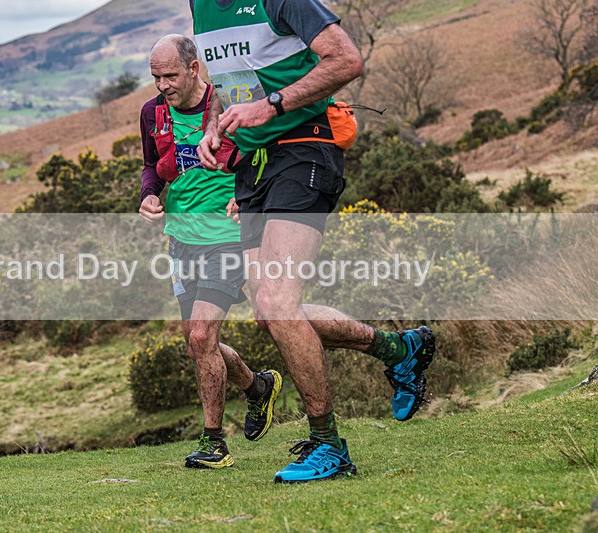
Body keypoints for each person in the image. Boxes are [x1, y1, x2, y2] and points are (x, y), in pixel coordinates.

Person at [191, 0, 436, 483]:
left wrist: (271, 104)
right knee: (268, 313)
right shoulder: (201, 6)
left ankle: (329, 445)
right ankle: (399, 349)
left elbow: (346, 60)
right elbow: (226, 82)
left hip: (305, 147)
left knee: (278, 301)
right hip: (254, 166)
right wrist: (214, 127)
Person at [139, 34, 282, 469]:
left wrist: (247, 195)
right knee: (198, 343)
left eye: (170, 75)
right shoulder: (152, 113)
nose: (162, 85)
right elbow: (151, 166)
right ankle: (257, 386)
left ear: (194, 68)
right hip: (182, 239)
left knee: (202, 336)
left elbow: (264, 158)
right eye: (156, 76)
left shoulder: (230, 104)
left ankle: (214, 442)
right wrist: (149, 195)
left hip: (229, 237)